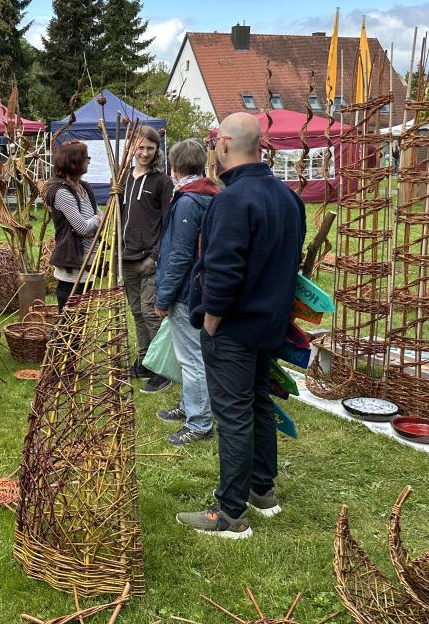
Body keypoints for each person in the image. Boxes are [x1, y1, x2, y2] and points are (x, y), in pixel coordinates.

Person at [176, 112, 306, 539]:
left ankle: (230, 513)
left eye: (215, 140)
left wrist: (211, 323)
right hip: (268, 326)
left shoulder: (232, 200)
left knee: (233, 416)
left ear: (227, 143)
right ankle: (261, 490)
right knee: (257, 404)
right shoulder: (289, 199)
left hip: (232, 328)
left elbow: (223, 272)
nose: (213, 147)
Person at [154, 139, 220, 444]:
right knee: (190, 355)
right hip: (202, 288)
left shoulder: (188, 201)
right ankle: (190, 405)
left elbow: (180, 255)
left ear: (173, 168)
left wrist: (164, 296)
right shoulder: (209, 194)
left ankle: (200, 422)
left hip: (186, 292)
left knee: (192, 358)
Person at [119, 125, 173, 394]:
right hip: (126, 257)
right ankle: (144, 361)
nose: (144, 153)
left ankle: (162, 370)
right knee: (137, 313)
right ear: (132, 147)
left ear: (156, 150)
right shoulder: (124, 178)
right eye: (140, 147)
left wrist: (155, 255)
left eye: (150, 148)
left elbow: (168, 222)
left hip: (149, 259)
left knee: (153, 314)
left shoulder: (162, 181)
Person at [44, 140, 101, 310]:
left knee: (81, 313)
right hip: (73, 257)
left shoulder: (84, 187)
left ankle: (76, 338)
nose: (89, 160)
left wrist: (96, 218)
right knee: (69, 317)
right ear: (74, 161)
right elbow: (82, 227)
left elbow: (100, 212)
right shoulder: (61, 192)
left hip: (89, 256)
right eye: (86, 157)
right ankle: (66, 338)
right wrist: (96, 220)